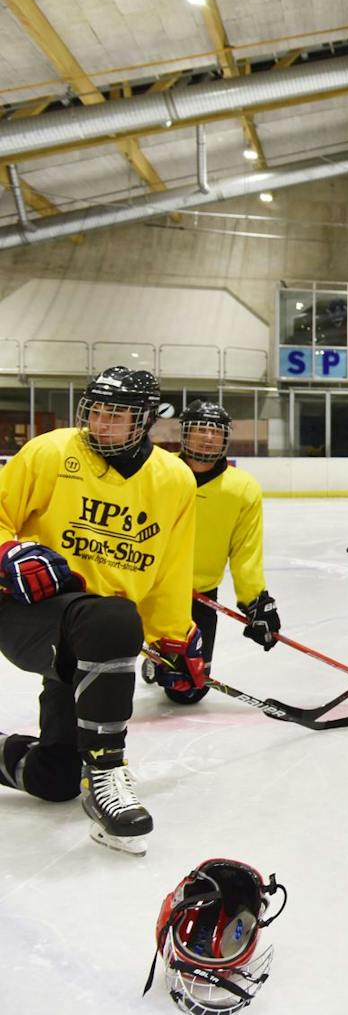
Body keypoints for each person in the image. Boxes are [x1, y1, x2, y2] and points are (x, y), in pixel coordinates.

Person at [0, 366, 198, 854]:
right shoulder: (49, 452)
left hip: (97, 636)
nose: (102, 423)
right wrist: (6, 552)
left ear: (146, 421)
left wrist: (174, 635)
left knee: (54, 778)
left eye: (118, 415)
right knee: (113, 618)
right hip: (30, 611)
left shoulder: (174, 479)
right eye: (98, 411)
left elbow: (172, 567)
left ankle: (66, 771)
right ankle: (107, 773)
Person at [166, 400, 279, 706]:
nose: (207, 438)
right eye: (199, 430)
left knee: (189, 691)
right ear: (184, 434)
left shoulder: (242, 488)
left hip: (201, 592)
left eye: (215, 432)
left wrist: (256, 602)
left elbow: (246, 551)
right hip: (152, 591)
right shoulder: (160, 474)